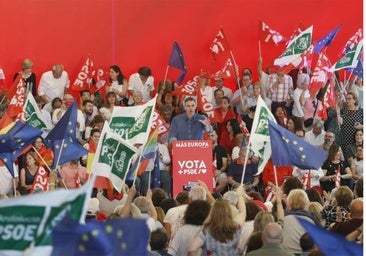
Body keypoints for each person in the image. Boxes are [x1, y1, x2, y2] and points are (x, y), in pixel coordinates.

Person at [282, 189, 317, 254]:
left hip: (285, 253)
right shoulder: (310, 218)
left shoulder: (282, 218)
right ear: (305, 201)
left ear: (289, 201)